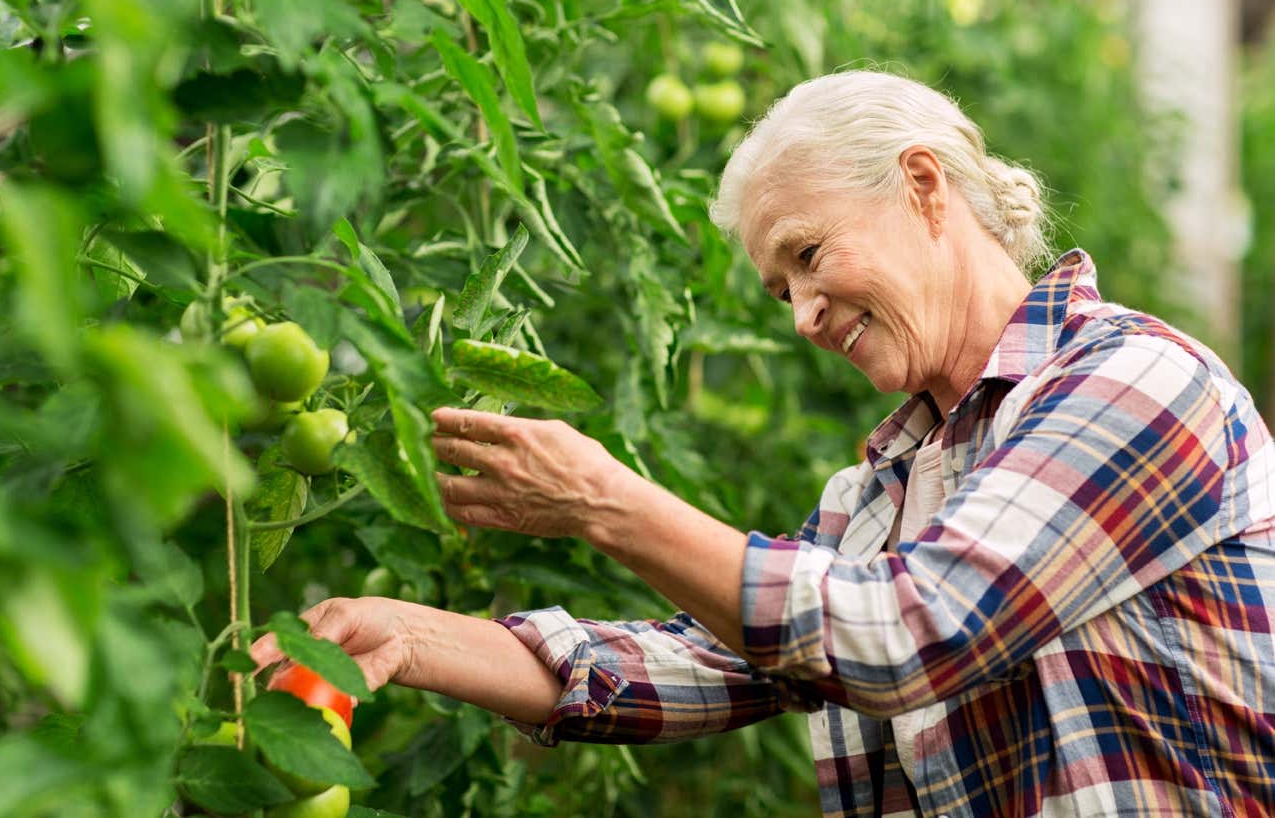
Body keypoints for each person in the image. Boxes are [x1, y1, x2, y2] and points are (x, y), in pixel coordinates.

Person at [251, 71, 1275, 817]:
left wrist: (606, 502)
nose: (799, 313)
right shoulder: (873, 500)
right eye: (778, 288)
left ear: (923, 187)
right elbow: (701, 664)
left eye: (808, 254)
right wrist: (408, 636)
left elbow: (916, 633)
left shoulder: (1131, 383)